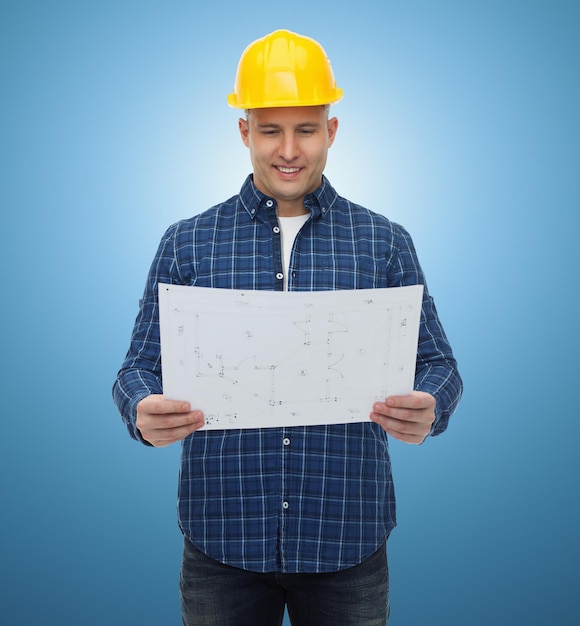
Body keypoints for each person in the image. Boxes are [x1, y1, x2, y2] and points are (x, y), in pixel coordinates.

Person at [113, 29, 462, 626]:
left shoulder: (383, 241)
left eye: (305, 128)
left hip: (346, 541)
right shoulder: (189, 241)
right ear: (244, 131)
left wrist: (432, 405)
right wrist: (141, 410)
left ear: (331, 129)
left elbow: (439, 364)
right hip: (222, 542)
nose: (289, 150)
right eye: (271, 129)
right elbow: (139, 366)